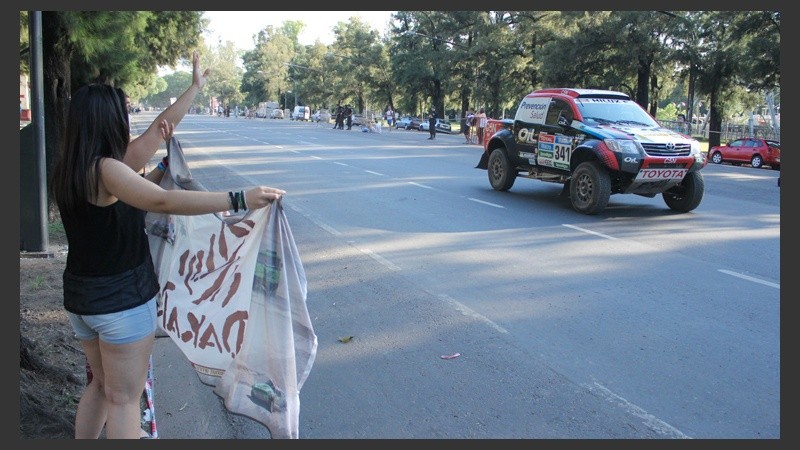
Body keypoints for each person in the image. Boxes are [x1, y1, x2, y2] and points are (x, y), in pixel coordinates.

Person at [49, 50, 286, 439]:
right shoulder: (109, 170)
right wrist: (238, 199)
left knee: (99, 387)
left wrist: (194, 89)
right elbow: (160, 201)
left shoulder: (73, 169)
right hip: (120, 301)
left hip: (82, 299)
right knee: (124, 399)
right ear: (110, 121)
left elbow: (159, 129)